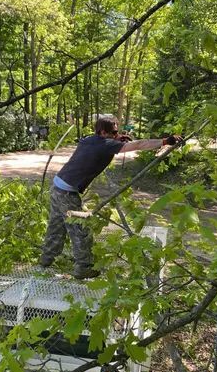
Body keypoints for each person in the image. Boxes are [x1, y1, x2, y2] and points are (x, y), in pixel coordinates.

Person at [40, 117, 180, 279]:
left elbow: (99, 145)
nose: (117, 135)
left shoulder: (89, 140)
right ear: (103, 132)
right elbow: (139, 145)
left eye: (117, 132)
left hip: (57, 186)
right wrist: (165, 141)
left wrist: (116, 139)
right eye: (113, 132)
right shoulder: (106, 145)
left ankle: (46, 259)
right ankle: (83, 267)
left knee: (56, 225)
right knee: (81, 229)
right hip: (67, 193)